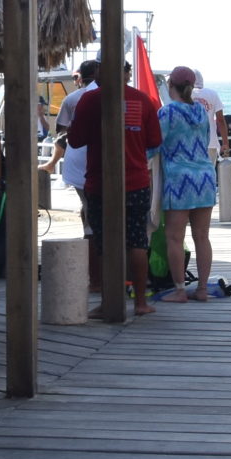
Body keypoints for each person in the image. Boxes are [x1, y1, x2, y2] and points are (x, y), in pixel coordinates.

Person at [66, 65, 163, 316]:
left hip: (100, 182)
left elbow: (75, 139)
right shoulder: (142, 100)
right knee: (137, 241)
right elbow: (154, 141)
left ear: (101, 75)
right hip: (137, 181)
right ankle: (141, 302)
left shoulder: (90, 99)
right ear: (127, 74)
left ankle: (109, 300)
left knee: (103, 242)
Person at [157, 67, 220, 301]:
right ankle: (202, 289)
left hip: (178, 178)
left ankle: (180, 290)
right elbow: (204, 141)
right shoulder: (201, 112)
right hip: (204, 176)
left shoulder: (167, 112)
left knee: (174, 236)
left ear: (170, 85)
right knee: (202, 236)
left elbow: (155, 145)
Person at [56, 59, 100, 196]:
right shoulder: (108, 95)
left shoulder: (71, 98)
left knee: (86, 203)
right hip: (99, 155)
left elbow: (60, 128)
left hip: (76, 154)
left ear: (81, 77)